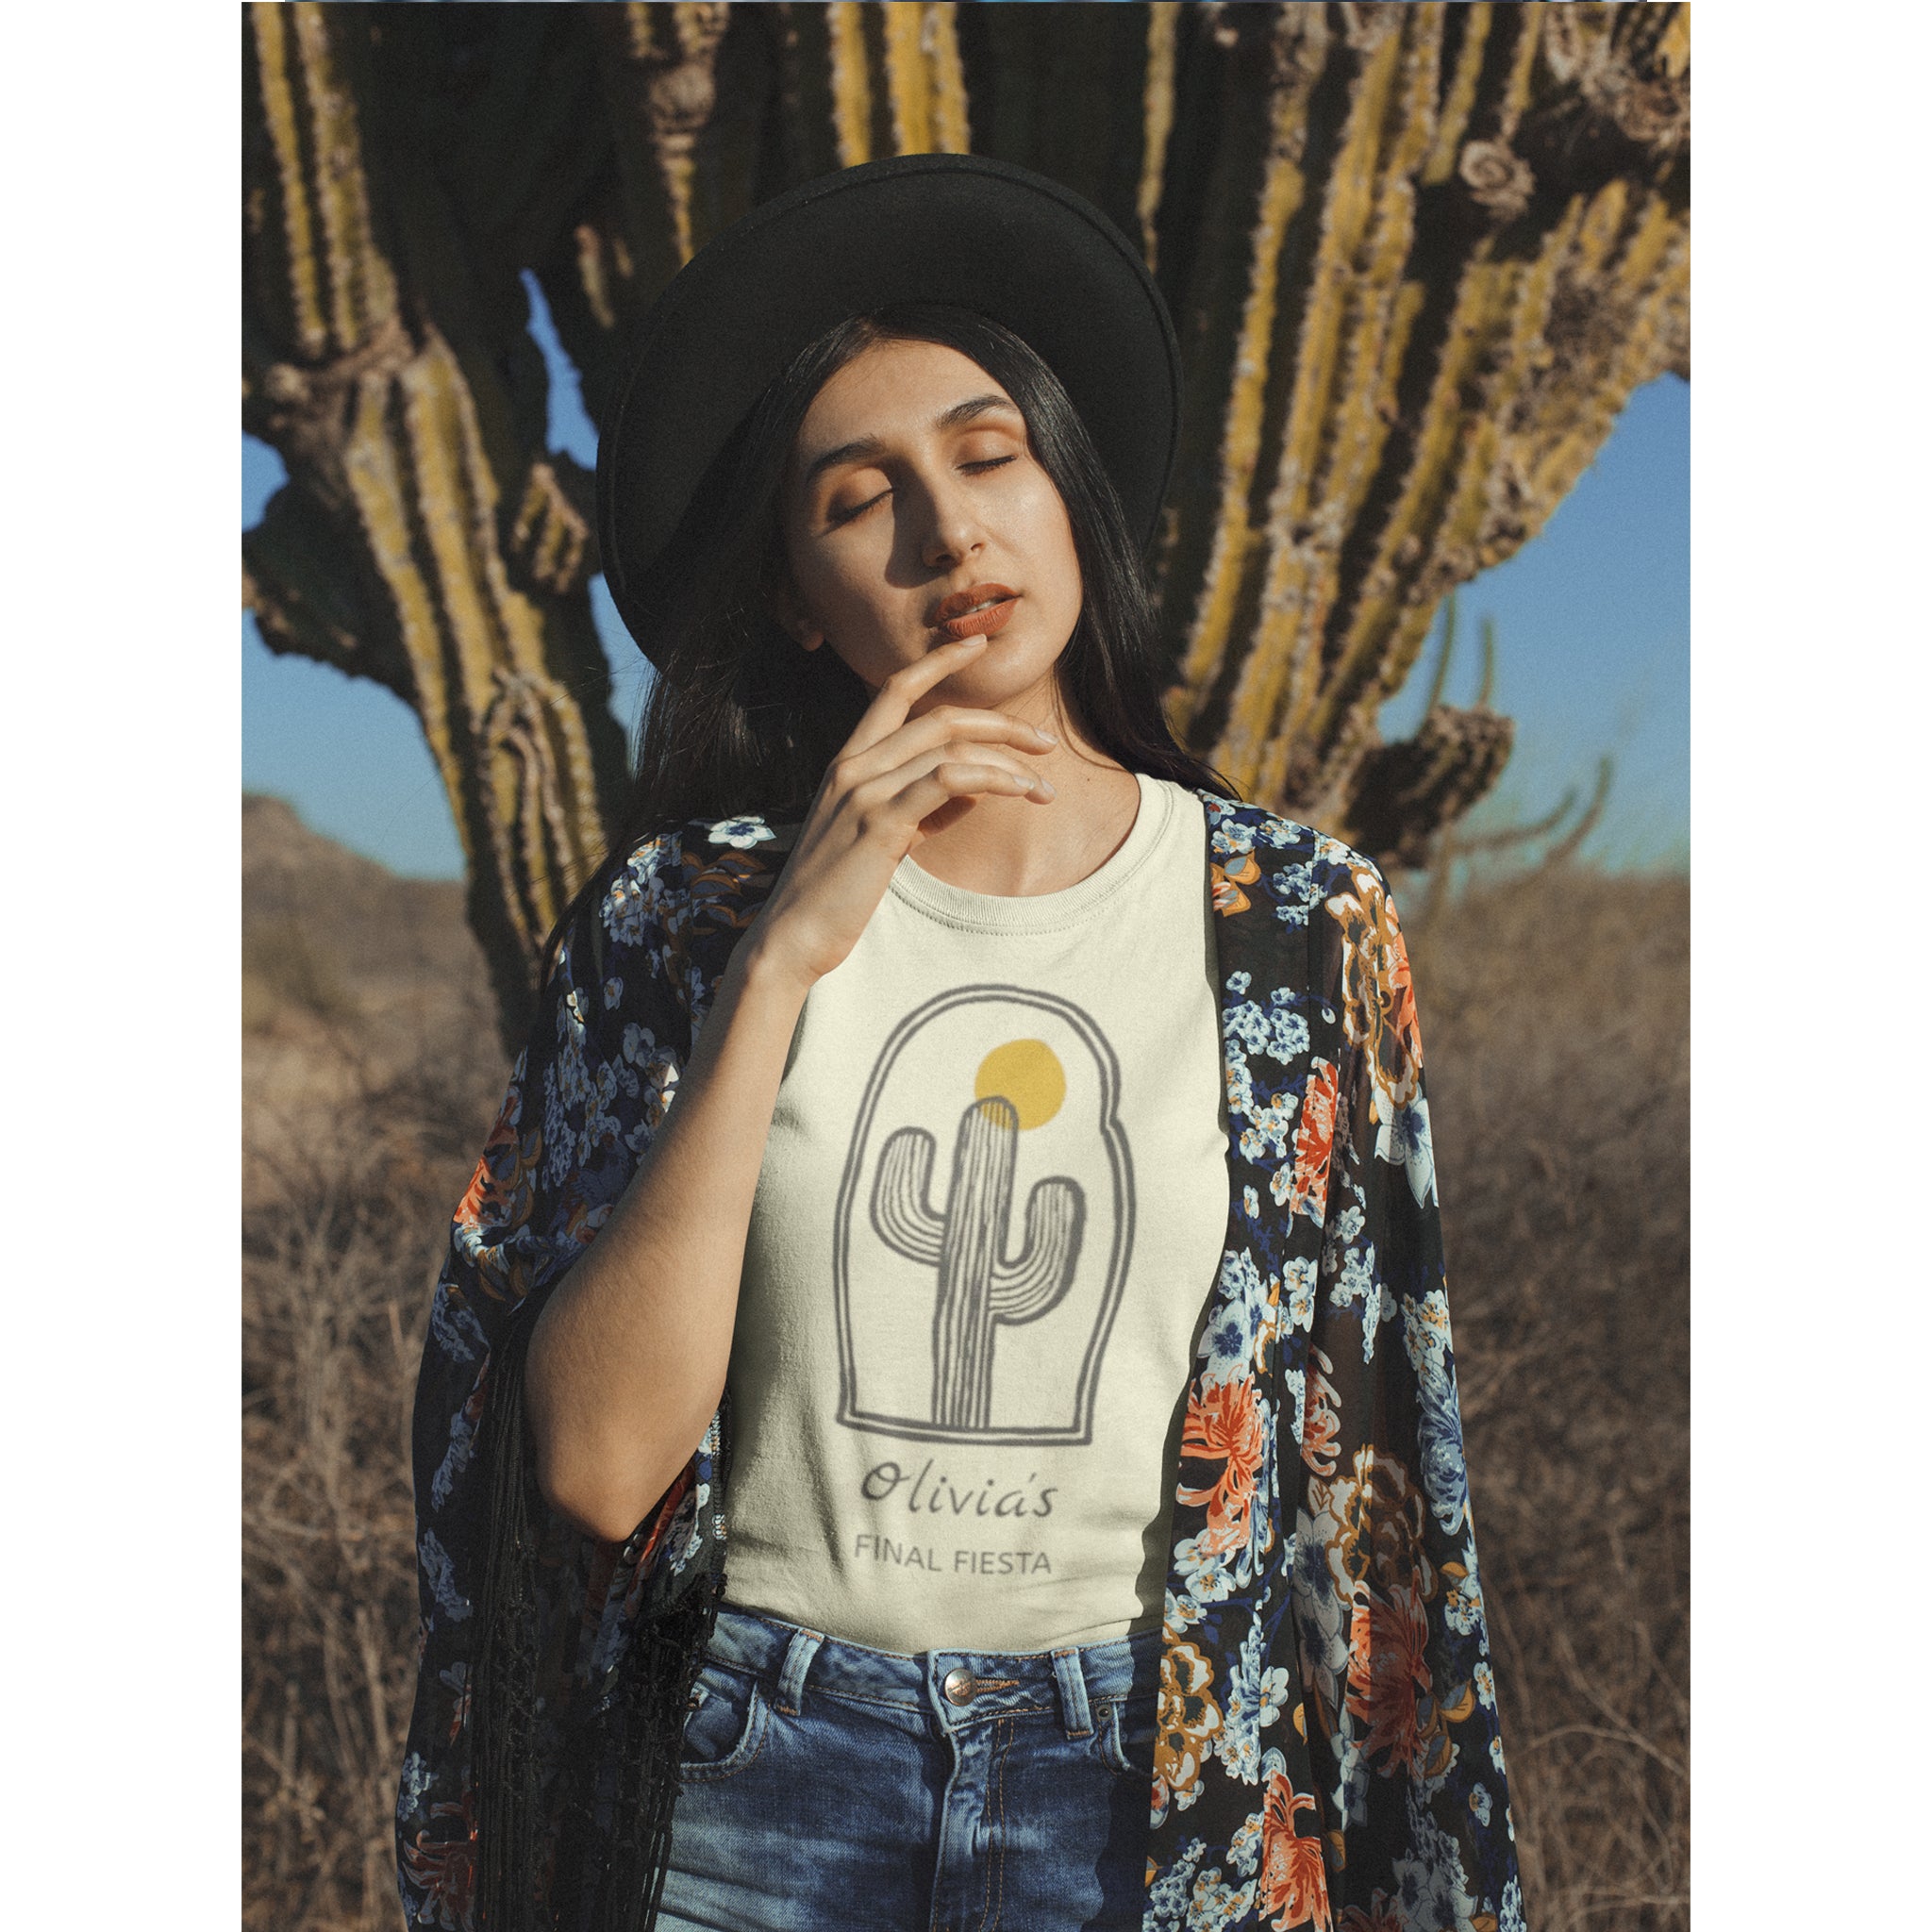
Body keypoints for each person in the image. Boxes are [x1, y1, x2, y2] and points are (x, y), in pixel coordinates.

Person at [395, 155, 1522, 1932]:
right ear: (792, 592)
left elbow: (1379, 1464)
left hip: (1155, 1779)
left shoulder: (1299, 923)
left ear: (1069, 491)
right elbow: (595, 1467)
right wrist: (782, 969)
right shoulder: (676, 926)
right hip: (754, 1780)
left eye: (989, 456)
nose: (948, 532)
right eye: (861, 497)